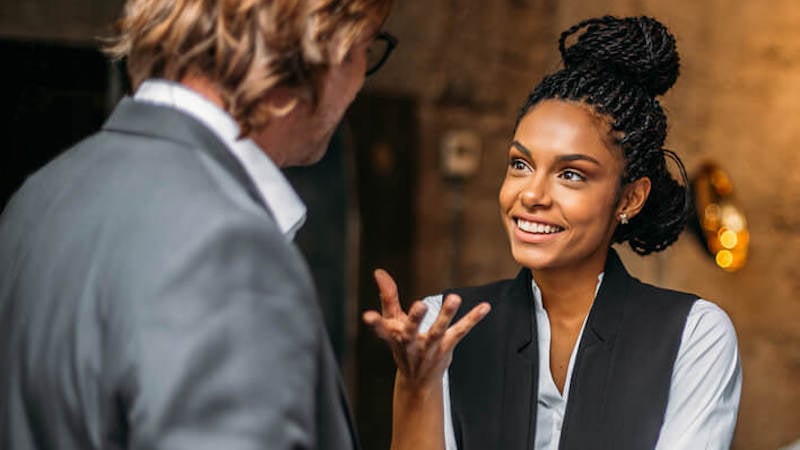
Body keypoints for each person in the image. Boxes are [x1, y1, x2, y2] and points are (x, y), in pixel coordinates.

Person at [0, 0, 394, 448]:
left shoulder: (42, 193)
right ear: (307, 57)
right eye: (365, 47)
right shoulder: (227, 248)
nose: (361, 79)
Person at [363, 15, 741, 450]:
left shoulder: (693, 336)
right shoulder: (441, 327)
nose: (532, 195)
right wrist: (416, 389)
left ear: (630, 199)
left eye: (571, 175)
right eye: (520, 165)